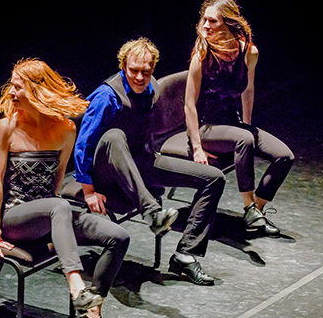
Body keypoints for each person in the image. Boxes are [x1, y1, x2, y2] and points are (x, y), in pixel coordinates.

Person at [0, 58, 130, 318]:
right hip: (16, 219)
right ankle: (76, 287)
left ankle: (92, 311)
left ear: (37, 91)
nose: (12, 93)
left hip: (52, 215)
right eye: (12, 87)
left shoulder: (65, 129)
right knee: (59, 205)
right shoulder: (6, 128)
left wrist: (58, 217)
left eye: (18, 87)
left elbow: (57, 180)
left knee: (118, 236)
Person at [74, 37, 225, 286]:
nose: (139, 77)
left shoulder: (152, 88)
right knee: (114, 136)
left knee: (213, 179)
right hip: (105, 172)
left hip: (139, 162)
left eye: (146, 71)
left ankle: (185, 255)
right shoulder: (107, 96)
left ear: (153, 68)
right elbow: (83, 144)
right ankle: (152, 213)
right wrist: (88, 190)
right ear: (123, 66)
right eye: (134, 71)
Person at [184, 0, 295, 236]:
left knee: (284, 156)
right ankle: (249, 207)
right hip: (206, 126)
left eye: (212, 21)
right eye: (204, 20)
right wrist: (197, 147)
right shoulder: (201, 55)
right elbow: (189, 106)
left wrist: (247, 124)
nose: (205, 25)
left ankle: (256, 209)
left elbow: (248, 90)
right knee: (243, 140)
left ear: (229, 24)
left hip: (232, 123)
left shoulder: (248, 52)